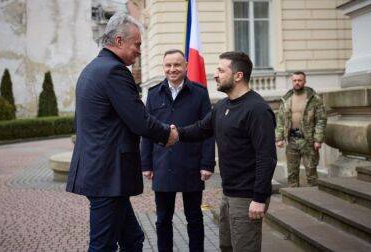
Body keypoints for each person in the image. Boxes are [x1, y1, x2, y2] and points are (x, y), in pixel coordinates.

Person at [65, 13, 178, 252]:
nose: (139, 51)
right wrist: (167, 134)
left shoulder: (93, 69)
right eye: (136, 44)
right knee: (103, 246)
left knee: (132, 239)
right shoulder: (114, 72)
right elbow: (139, 120)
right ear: (118, 41)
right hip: (107, 176)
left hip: (101, 173)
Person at [173, 51, 277, 252]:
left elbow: (267, 158)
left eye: (221, 70)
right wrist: (173, 133)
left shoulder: (257, 109)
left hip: (247, 197)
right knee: (226, 247)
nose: (215, 75)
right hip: (228, 194)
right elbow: (199, 129)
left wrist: (259, 198)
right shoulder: (222, 106)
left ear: (238, 76)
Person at [140, 49, 215, 252]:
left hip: (192, 164)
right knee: (163, 219)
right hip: (163, 164)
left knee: (194, 218)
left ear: (186, 66)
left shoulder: (199, 93)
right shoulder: (154, 94)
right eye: (168, 65)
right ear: (163, 67)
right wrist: (146, 164)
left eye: (177, 65)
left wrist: (207, 164)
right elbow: (146, 131)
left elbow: (209, 130)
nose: (172, 69)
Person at [275, 71, 327, 187]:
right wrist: (279, 137)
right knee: (292, 174)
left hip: (308, 141)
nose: (297, 83)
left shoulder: (314, 99)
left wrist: (318, 139)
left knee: (311, 173)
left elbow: (321, 120)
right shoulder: (286, 99)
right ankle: (293, 197)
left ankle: (314, 199)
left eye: (299, 80)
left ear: (304, 81)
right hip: (291, 140)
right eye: (295, 80)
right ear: (292, 82)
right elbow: (280, 119)